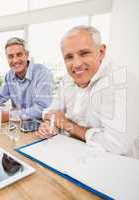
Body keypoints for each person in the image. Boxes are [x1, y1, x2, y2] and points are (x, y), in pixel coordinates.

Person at [37, 25, 134, 156]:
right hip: (70, 154)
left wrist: (66, 124)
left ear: (101, 52)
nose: (76, 64)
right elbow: (53, 110)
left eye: (84, 53)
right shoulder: (67, 79)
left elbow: (116, 145)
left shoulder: (121, 82)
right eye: (69, 57)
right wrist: (49, 124)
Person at [0, 37, 53, 122]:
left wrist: (9, 116)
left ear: (27, 55)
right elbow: (0, 96)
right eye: (10, 56)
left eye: (19, 54)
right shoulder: (9, 76)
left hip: (40, 127)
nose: (15, 60)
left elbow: (42, 109)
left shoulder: (42, 73)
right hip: (18, 126)